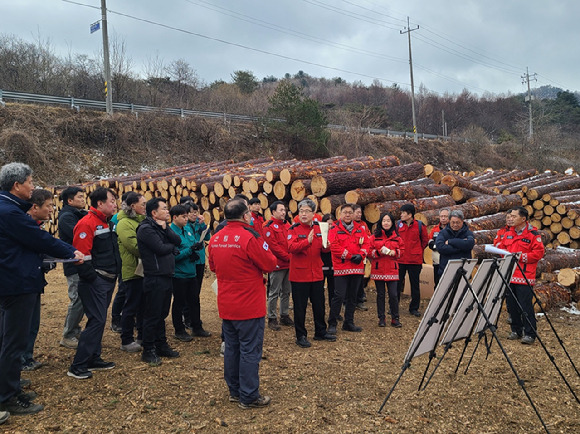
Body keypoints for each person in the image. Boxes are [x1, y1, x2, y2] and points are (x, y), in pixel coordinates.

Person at [0, 162, 82, 415]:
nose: (33, 187)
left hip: (12, 279)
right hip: (16, 282)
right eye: (31, 183)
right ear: (17, 185)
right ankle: (8, 396)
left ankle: (8, 381)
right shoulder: (9, 212)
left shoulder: (8, 207)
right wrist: (71, 251)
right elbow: (38, 239)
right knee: (13, 340)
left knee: (6, 338)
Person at [208, 199, 277, 409]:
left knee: (232, 348)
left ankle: (234, 391)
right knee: (249, 350)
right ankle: (248, 395)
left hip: (227, 303)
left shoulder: (216, 238)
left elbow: (212, 266)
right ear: (246, 215)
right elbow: (269, 263)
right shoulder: (250, 237)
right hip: (249, 303)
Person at [68, 187, 122, 380]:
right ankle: (78, 365)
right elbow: (81, 257)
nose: (115, 204)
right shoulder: (87, 223)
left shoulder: (107, 222)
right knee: (97, 320)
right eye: (112, 201)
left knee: (99, 320)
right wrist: (93, 278)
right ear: (100, 203)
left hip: (108, 279)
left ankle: (93, 357)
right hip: (96, 281)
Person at [137, 198, 182, 366]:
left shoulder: (162, 227)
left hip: (166, 274)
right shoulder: (146, 229)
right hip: (154, 276)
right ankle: (148, 349)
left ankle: (161, 344)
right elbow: (161, 248)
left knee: (162, 313)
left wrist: (165, 229)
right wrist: (171, 248)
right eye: (164, 209)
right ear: (154, 213)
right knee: (152, 314)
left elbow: (177, 240)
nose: (168, 211)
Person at [287, 199, 336, 348]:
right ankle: (301, 335)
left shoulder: (319, 228)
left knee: (319, 305)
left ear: (313, 214)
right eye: (301, 211)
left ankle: (320, 331)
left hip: (316, 273)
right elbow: (291, 247)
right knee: (300, 307)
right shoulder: (293, 229)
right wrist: (306, 242)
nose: (303, 214)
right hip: (299, 275)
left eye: (307, 211)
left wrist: (327, 247)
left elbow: (323, 248)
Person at [21, 189, 57, 372]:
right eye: (49, 205)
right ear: (35, 207)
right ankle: (20, 360)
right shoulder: (23, 227)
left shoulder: (35, 226)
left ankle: (26, 356)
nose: (52, 209)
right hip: (23, 285)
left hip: (34, 281)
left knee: (32, 323)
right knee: (23, 324)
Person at [497, 207, 545, 345]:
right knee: (511, 305)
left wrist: (521, 257)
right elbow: (503, 249)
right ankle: (516, 330)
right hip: (509, 274)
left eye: (513, 216)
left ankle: (530, 333)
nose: (510, 218)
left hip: (524, 275)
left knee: (525, 305)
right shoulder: (508, 233)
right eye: (510, 216)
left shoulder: (533, 234)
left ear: (523, 219)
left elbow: (538, 253)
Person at [327, 204, 370, 334]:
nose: (347, 215)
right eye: (345, 212)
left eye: (350, 212)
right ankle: (332, 323)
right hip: (342, 267)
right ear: (340, 214)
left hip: (357, 268)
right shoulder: (334, 228)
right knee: (339, 296)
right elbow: (334, 246)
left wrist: (361, 254)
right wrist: (351, 256)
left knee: (352, 296)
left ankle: (349, 322)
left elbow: (367, 243)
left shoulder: (360, 229)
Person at [170, 204, 209, 341]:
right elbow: (174, 256)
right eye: (184, 216)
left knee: (194, 300)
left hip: (191, 272)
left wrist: (195, 251)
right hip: (179, 274)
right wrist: (190, 251)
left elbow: (192, 245)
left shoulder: (187, 231)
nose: (187, 219)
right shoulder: (171, 233)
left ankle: (196, 327)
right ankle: (179, 330)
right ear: (175, 217)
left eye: (187, 216)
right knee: (179, 302)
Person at [116, 192, 146, 353]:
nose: (145, 207)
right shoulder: (124, 224)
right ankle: (126, 339)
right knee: (131, 306)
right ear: (133, 206)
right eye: (143, 204)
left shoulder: (140, 221)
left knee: (143, 305)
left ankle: (142, 335)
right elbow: (135, 247)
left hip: (144, 270)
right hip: (132, 270)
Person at [58, 186, 87, 349]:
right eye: (80, 197)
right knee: (77, 298)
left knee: (81, 298)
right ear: (69, 200)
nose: (83, 199)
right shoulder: (67, 217)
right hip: (73, 263)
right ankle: (67, 335)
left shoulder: (79, 214)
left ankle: (75, 330)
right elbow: (79, 236)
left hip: (82, 262)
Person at [369, 212, 404, 328]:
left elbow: (402, 251)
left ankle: (395, 318)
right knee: (380, 294)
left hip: (392, 269)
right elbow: (369, 252)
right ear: (380, 222)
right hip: (378, 269)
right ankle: (381, 318)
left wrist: (396, 252)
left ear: (392, 223)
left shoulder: (397, 237)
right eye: (384, 220)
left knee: (393, 294)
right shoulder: (374, 236)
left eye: (388, 220)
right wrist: (378, 252)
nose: (386, 223)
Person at [263, 201, 294, 331]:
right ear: (273, 212)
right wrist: (288, 258)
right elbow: (274, 247)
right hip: (277, 264)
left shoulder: (287, 225)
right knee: (274, 291)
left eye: (284, 210)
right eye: (281, 210)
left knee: (286, 291)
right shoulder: (268, 226)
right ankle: (272, 317)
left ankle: (284, 314)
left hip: (289, 264)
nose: (283, 212)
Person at [183, 202, 211, 336]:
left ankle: (193, 318)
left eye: (196, 211)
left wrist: (202, 225)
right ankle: (188, 317)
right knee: (190, 293)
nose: (194, 214)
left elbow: (207, 237)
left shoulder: (198, 224)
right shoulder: (185, 226)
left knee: (196, 291)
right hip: (190, 261)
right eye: (191, 212)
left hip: (199, 260)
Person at [397, 204, 428, 317]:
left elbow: (425, 241)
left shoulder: (420, 226)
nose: (401, 214)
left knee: (415, 285)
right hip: (400, 260)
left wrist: (417, 250)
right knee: (397, 285)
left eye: (403, 213)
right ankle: (394, 307)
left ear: (410, 214)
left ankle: (414, 308)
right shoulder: (398, 225)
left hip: (414, 261)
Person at [435, 210, 475, 276]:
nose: (455, 225)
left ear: (462, 221)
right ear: (449, 221)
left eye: (458, 222)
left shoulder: (468, 233)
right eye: (453, 222)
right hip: (446, 271)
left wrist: (451, 241)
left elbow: (469, 244)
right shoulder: (443, 233)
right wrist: (461, 247)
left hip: (464, 271)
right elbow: (440, 247)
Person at [352, 204, 371, 311]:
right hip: (351, 256)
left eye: (360, 213)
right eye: (357, 212)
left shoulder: (363, 224)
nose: (359, 215)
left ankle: (359, 299)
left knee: (360, 278)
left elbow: (368, 236)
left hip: (361, 255)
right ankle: (350, 301)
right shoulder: (349, 224)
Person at [427, 208, 449, 288]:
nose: (443, 218)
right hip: (437, 259)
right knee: (437, 280)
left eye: (445, 216)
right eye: (441, 216)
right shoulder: (435, 229)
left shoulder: (452, 229)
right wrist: (437, 246)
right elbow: (430, 241)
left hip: (448, 259)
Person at [321, 214, 336, 316]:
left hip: (334, 266)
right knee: (320, 292)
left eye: (332, 224)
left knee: (333, 291)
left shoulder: (336, 233)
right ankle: (321, 311)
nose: (330, 226)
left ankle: (334, 312)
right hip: (322, 266)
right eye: (328, 224)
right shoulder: (320, 234)